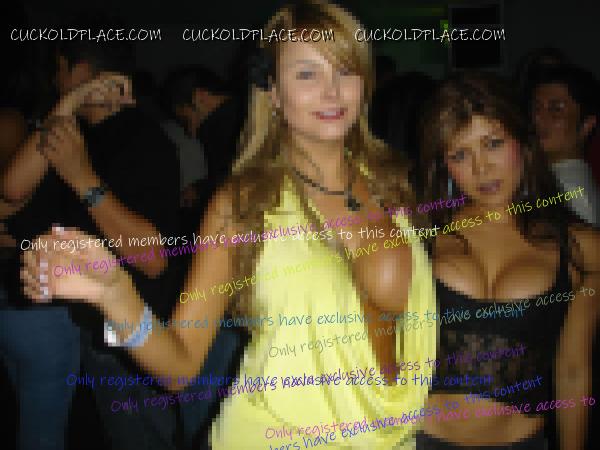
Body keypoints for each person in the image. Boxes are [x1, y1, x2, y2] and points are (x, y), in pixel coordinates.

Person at [19, 1, 438, 449]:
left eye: (345, 70)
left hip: (391, 436)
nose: (332, 90)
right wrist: (114, 293)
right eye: (307, 74)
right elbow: (180, 367)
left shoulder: (394, 185)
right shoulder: (242, 204)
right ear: (273, 92)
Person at [1, 18, 181, 450]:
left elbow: (153, 260)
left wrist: (83, 179)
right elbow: (10, 191)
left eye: (61, 71)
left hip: (136, 340)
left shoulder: (143, 139)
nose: (54, 81)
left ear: (79, 69)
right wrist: (68, 104)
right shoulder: (76, 133)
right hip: (90, 328)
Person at [418, 72, 599, 449]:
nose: (481, 169)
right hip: (421, 440)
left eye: (493, 144)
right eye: (460, 155)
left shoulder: (581, 247)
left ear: (522, 139)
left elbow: (573, 372)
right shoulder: (423, 233)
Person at [529, 64, 600, 226]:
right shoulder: (550, 177)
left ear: (586, 126)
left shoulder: (571, 192)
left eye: (556, 109)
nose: (538, 118)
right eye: (536, 108)